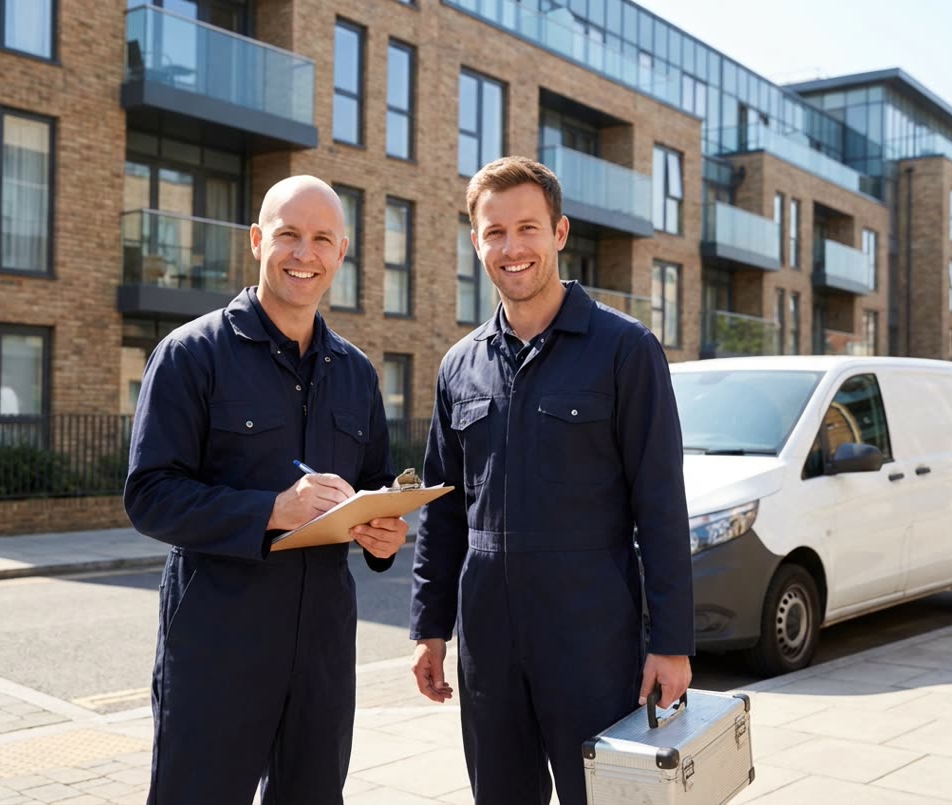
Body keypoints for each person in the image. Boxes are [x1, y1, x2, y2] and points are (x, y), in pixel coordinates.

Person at [409, 156, 694, 805]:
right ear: (476, 241)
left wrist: (671, 642)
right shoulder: (459, 366)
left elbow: (660, 503)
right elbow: (443, 509)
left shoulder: (625, 349)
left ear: (560, 232)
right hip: (487, 646)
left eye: (528, 228)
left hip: (592, 644)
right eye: (494, 232)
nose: (512, 248)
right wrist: (430, 626)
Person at [125, 175, 408, 804]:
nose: (303, 254)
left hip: (323, 653)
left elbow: (373, 487)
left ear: (341, 253)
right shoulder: (190, 355)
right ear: (257, 241)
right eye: (288, 236)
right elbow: (149, 495)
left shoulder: (358, 373)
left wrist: (384, 533)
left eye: (321, 240)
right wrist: (273, 511)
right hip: (217, 648)